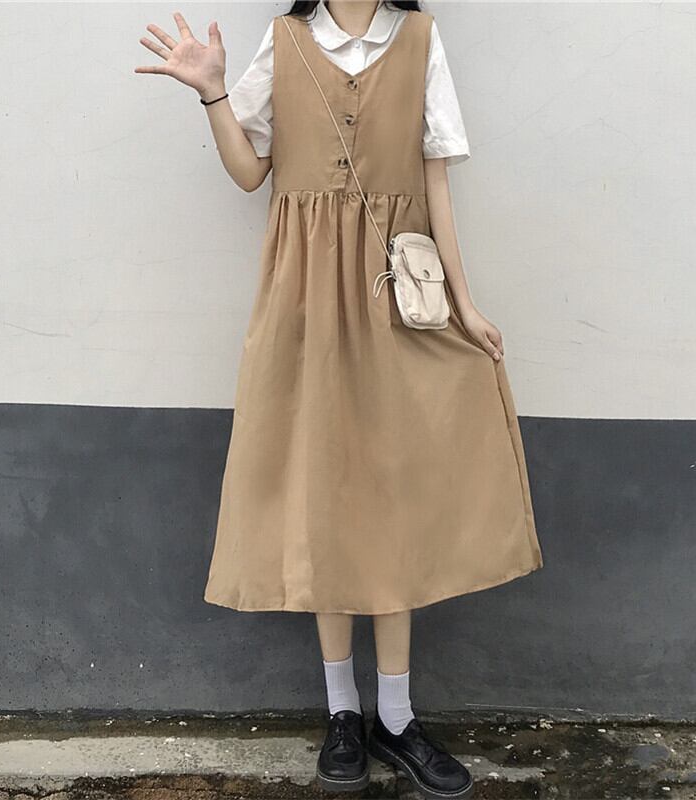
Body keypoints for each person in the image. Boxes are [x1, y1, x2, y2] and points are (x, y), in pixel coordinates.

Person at [136, 2, 544, 798]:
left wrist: (464, 304)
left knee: (393, 499)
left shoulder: (419, 39)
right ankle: (342, 714)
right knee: (323, 496)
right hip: (306, 304)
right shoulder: (286, 41)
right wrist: (213, 92)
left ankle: (397, 715)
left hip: (393, 298)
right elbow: (251, 172)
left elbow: (435, 181)